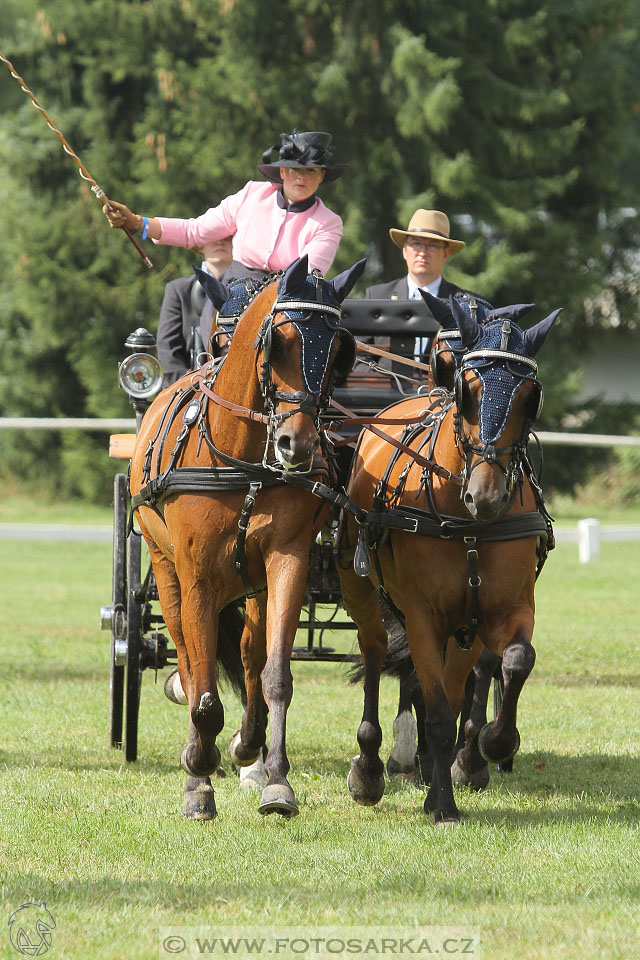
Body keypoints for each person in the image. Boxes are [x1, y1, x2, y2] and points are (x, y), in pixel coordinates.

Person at [103, 129, 346, 279]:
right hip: (237, 298)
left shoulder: (328, 223)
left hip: (290, 308)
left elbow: (307, 275)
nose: (301, 177)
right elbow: (194, 232)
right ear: (282, 172)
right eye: (294, 170)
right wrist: (136, 222)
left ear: (322, 176)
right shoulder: (251, 195)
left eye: (311, 171)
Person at [365, 208, 470, 362]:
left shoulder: (466, 304)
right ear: (405, 251)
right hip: (384, 385)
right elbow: (357, 358)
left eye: (432, 245)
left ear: (446, 254)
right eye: (415, 244)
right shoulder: (375, 296)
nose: (423, 252)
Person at [156, 236, 234, 388]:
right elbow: (168, 352)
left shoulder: (255, 287)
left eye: (228, 237)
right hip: (190, 392)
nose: (219, 241)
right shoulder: (178, 290)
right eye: (214, 235)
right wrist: (192, 390)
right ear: (201, 244)